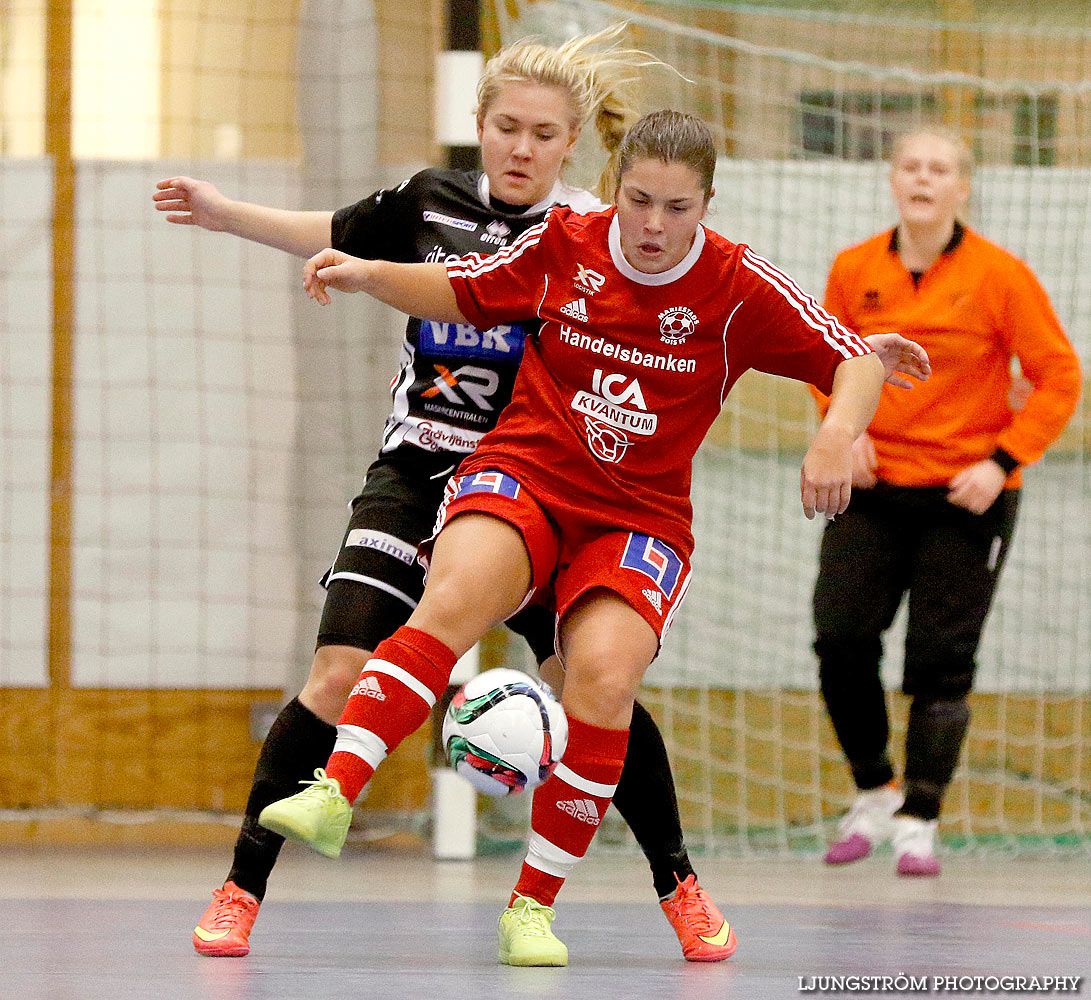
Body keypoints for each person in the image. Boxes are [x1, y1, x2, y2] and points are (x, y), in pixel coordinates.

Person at [255, 109, 929, 967]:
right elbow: (461, 287)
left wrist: (835, 437)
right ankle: (335, 789)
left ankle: (530, 910)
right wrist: (368, 275)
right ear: (613, 187)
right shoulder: (566, 243)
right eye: (638, 199)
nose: (652, 225)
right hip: (526, 476)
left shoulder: (736, 284)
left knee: (603, 681)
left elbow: (855, 360)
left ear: (706, 204)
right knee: (454, 597)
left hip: (636, 518)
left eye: (676, 208)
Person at [155, 26, 734, 962]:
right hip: (423, 469)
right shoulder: (429, 201)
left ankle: (679, 884)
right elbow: (338, 235)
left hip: (541, 486)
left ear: (572, 141)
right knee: (337, 676)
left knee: (593, 684)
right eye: (506, 127)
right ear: (480, 124)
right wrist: (226, 214)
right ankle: (239, 890)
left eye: (543, 134)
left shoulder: (592, 233)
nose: (520, 148)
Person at [812, 128, 1082, 877]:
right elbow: (820, 358)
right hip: (871, 487)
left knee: (939, 659)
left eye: (939, 170)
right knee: (839, 640)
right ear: (891, 178)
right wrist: (841, 433)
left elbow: (1058, 378)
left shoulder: (1001, 276)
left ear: (962, 187)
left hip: (965, 497)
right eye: (910, 166)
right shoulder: (852, 268)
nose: (923, 180)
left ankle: (919, 819)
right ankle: (873, 788)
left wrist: (1002, 461)